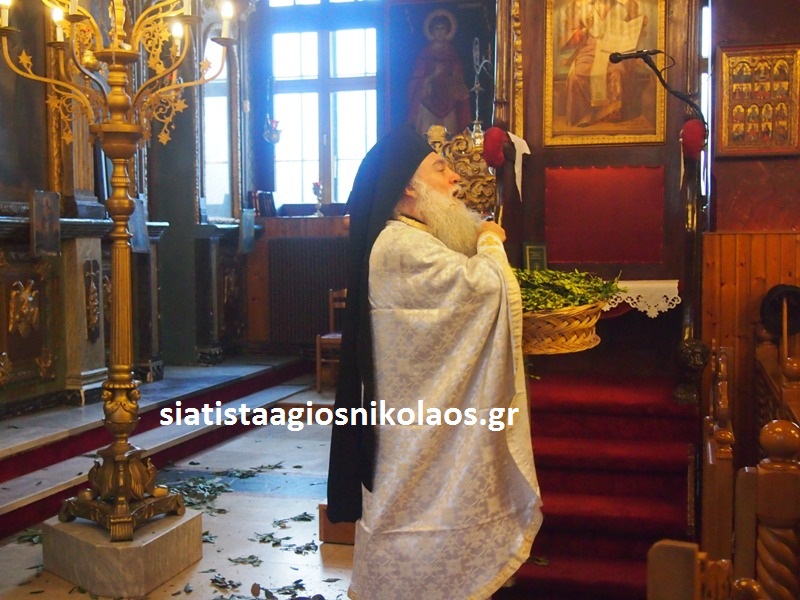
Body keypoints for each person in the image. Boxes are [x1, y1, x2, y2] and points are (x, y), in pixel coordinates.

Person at [327, 124, 542, 600]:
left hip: (416, 418)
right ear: (409, 186)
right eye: (440, 169)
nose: (455, 179)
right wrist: (489, 241)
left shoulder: (411, 239)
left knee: (407, 507)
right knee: (408, 509)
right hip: (414, 425)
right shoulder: (403, 245)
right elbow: (485, 288)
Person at [559, 0, 647, 127]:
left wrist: (640, 24)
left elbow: (634, 30)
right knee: (577, 75)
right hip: (590, 49)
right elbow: (569, 37)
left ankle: (611, 114)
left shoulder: (624, 8)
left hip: (617, 50)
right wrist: (583, 30)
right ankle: (584, 115)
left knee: (617, 72)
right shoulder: (584, 9)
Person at [407, 10, 472, 135]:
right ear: (431, 31)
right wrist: (433, 76)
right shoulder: (425, 54)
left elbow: (458, 76)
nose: (440, 32)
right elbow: (417, 78)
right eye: (437, 29)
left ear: (448, 31)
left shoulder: (452, 53)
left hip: (448, 100)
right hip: (429, 100)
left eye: (443, 29)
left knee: (450, 135)